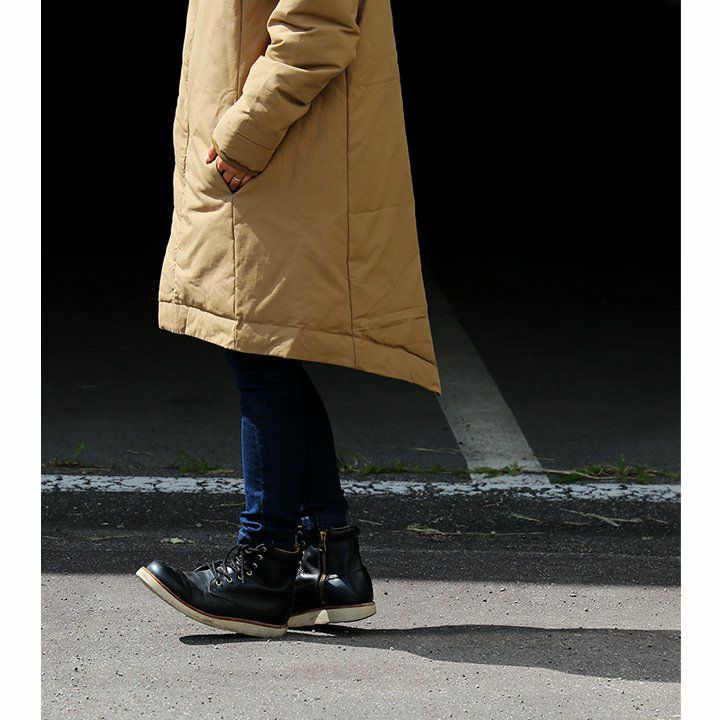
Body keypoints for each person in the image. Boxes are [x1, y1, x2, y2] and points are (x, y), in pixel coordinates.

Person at [136, 0, 441, 638]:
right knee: (266, 352)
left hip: (276, 157)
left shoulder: (254, 143)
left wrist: (243, 136)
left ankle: (266, 562)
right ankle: (328, 561)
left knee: (259, 351)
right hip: (276, 158)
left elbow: (315, 30)